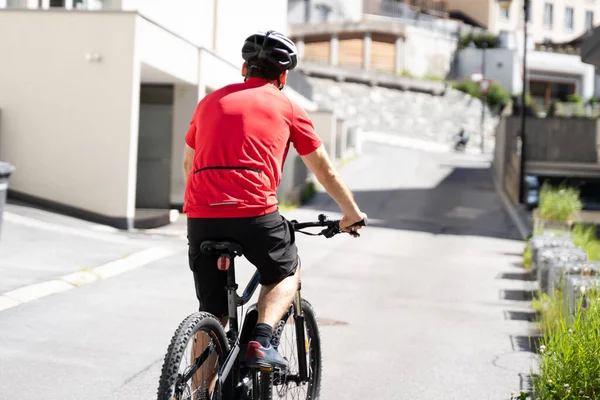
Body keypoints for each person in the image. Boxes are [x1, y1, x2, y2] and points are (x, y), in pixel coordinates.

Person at [182, 30, 367, 373]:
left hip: (201, 215)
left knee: (213, 315)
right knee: (286, 269)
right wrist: (351, 213)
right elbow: (325, 171)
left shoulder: (209, 102)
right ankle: (262, 341)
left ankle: (198, 390)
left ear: (243, 68)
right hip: (253, 212)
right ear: (283, 76)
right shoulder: (288, 107)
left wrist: (202, 206)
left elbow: (187, 165)